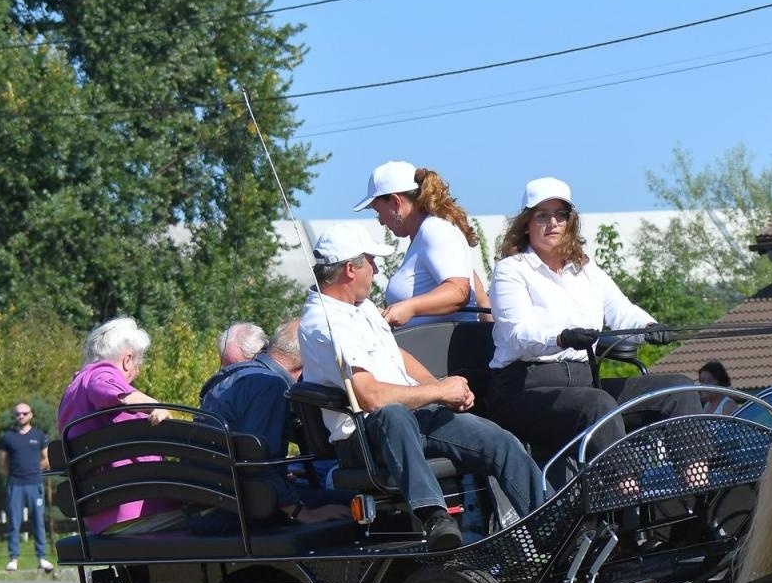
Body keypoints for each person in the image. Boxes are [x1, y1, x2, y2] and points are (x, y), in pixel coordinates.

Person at [298, 224, 547, 551]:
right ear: (349, 269)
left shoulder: (362, 307)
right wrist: (439, 393)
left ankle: (551, 528)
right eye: (371, 262)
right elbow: (371, 397)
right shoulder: (324, 324)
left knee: (498, 441)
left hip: (413, 419)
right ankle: (433, 516)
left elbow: (396, 354)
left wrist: (439, 385)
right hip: (363, 437)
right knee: (393, 414)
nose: (376, 271)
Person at [485, 176, 702, 464]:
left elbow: (621, 310)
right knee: (598, 404)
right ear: (526, 223)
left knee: (678, 389)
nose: (553, 223)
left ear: (570, 222)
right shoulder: (510, 270)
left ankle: (697, 481)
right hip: (524, 389)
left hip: (585, 383)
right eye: (542, 215)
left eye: (561, 215)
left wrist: (649, 328)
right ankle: (624, 485)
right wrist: (560, 338)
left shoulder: (586, 270)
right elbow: (518, 334)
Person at [198, 318, 351, 529]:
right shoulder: (270, 385)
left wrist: (280, 475)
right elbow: (256, 459)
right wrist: (303, 513)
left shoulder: (233, 378)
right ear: (307, 361)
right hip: (232, 511)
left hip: (212, 499)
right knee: (354, 503)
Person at [57, 316, 174, 533]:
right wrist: (155, 406)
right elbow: (108, 390)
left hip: (99, 514)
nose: (138, 370)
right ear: (127, 360)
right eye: (139, 362)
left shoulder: (72, 389)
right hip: (139, 511)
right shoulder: (101, 374)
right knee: (214, 520)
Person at [354, 160, 492, 328]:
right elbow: (477, 292)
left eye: (379, 212)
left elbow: (459, 291)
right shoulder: (427, 233)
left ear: (396, 202)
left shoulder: (435, 229)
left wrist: (409, 307)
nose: (381, 221)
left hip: (444, 344)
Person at [0, 402, 53, 572]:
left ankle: (42, 558)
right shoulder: (7, 437)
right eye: (18, 414)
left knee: (38, 522)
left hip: (35, 484)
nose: (21, 416)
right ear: (14, 416)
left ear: (30, 415)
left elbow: (47, 459)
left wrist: (34, 469)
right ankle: (13, 558)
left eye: (24, 413)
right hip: (15, 485)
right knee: (14, 522)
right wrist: (13, 474)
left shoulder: (39, 435)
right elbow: (3, 462)